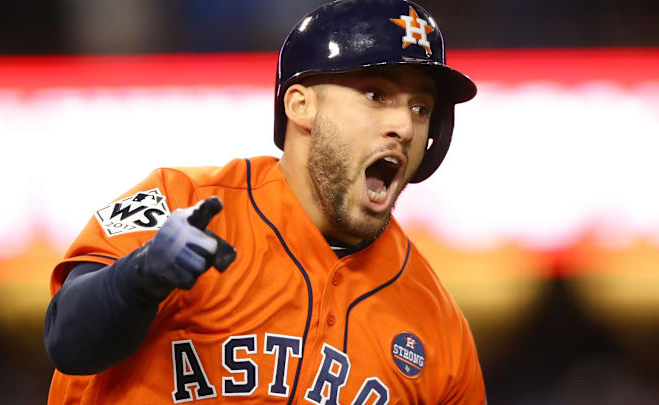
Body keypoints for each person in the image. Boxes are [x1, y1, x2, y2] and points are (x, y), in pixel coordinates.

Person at [44, 0, 486, 403]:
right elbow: (68, 342)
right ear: (300, 105)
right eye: (376, 95)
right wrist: (140, 278)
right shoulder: (181, 200)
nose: (404, 128)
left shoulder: (438, 327)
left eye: (420, 108)